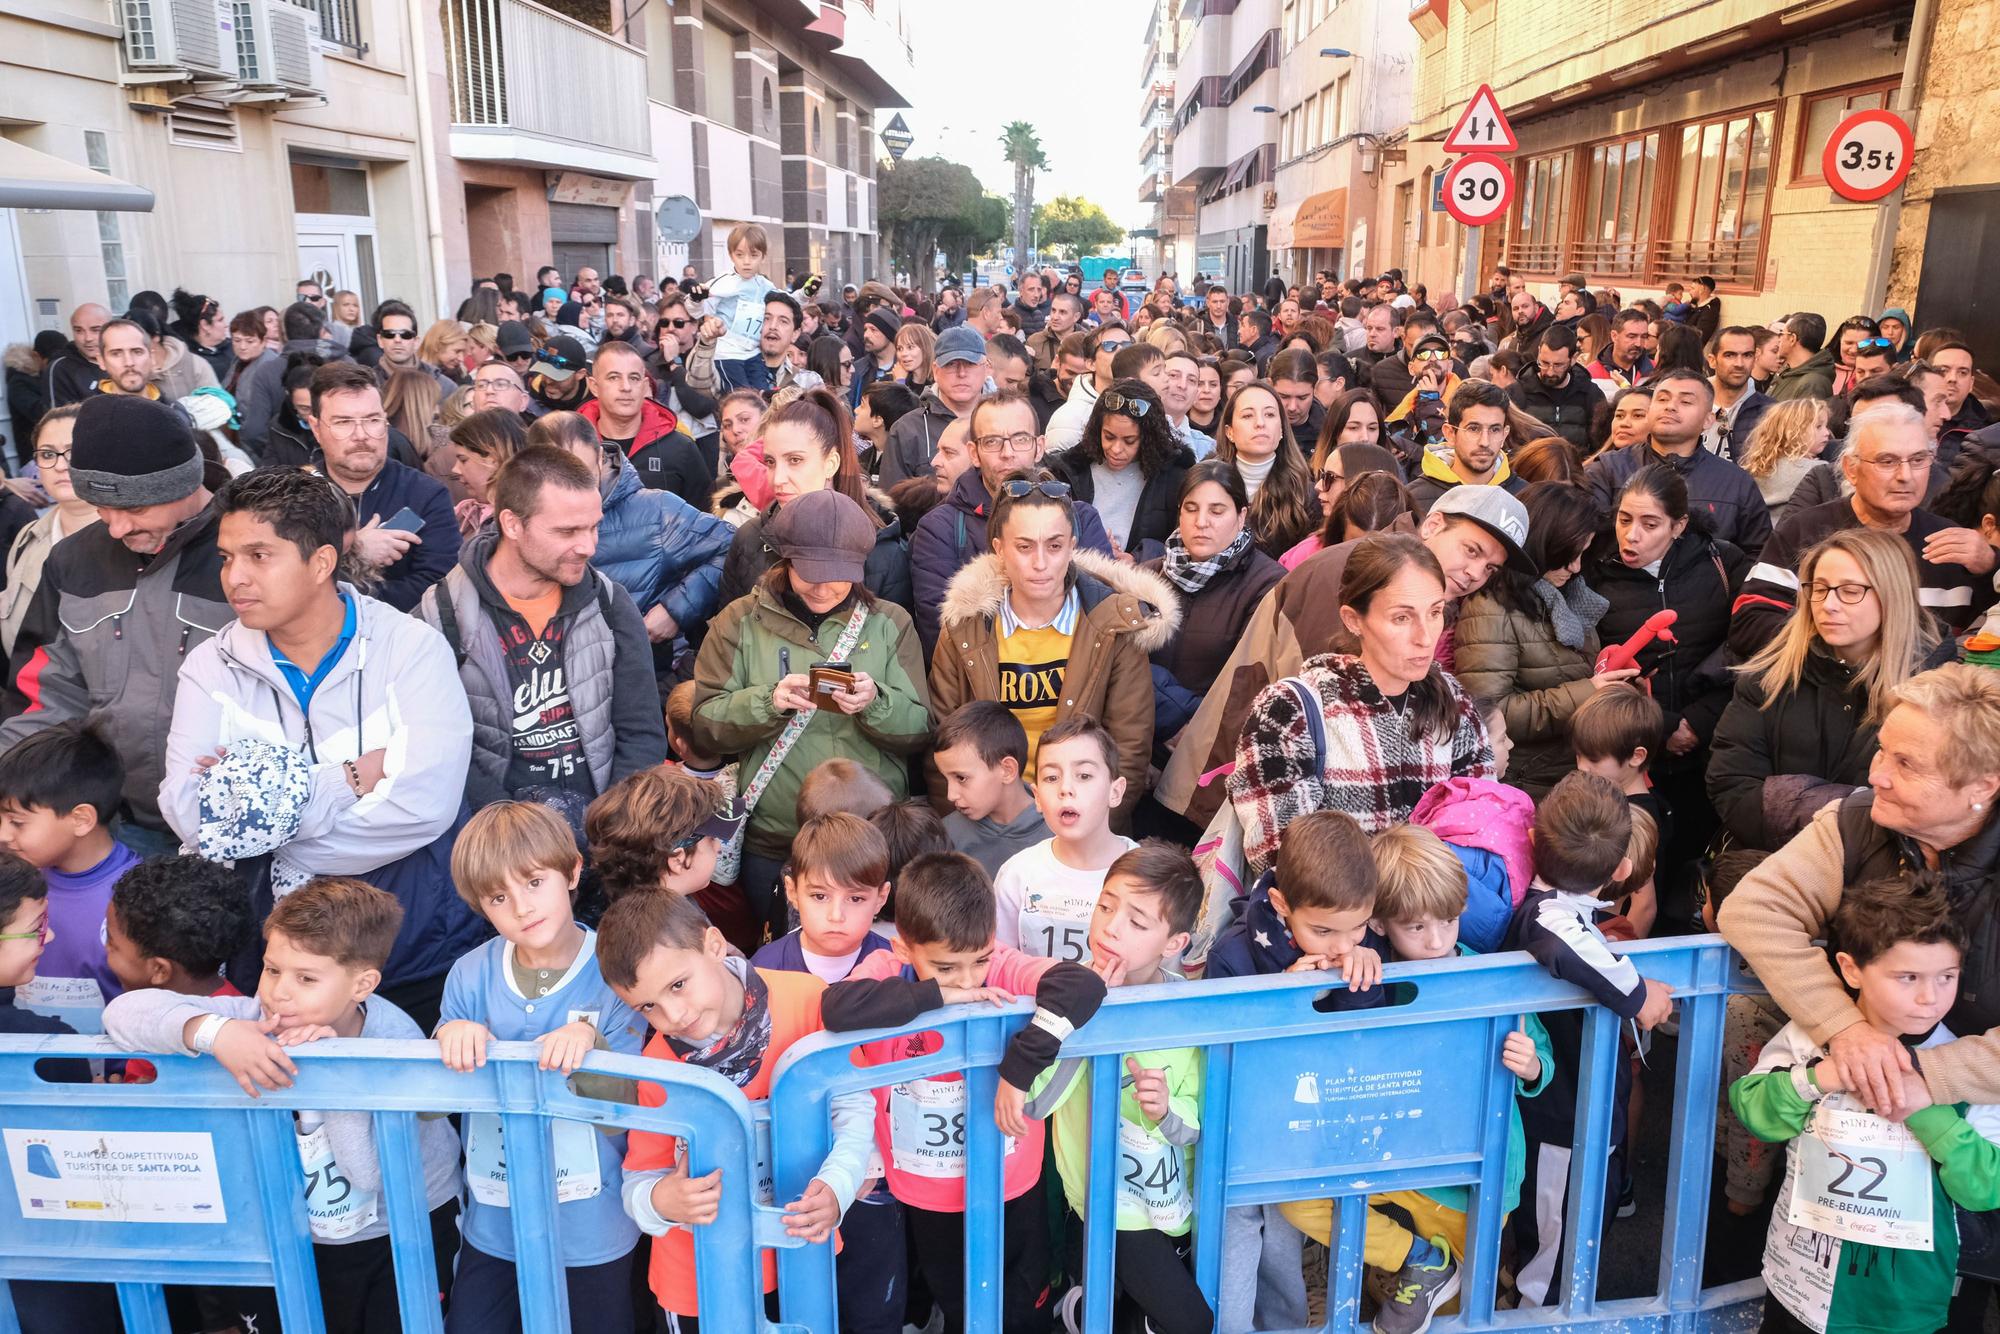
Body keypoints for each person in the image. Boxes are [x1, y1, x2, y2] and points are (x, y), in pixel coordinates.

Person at [103, 878, 463, 1333]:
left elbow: (368, 1173)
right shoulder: (256, 1019)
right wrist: (217, 1033)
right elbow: (123, 1012)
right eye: (272, 970)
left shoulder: (394, 1038)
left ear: (362, 984)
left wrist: (328, 1071)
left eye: (306, 978)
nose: (279, 992)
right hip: (293, 1230)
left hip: (401, 1231)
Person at [818, 851, 1107, 1334]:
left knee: (1023, 1309)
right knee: (961, 1307)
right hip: (928, 1195)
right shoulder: (887, 967)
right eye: (947, 967)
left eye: (979, 961)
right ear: (906, 946)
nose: (970, 981)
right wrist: (936, 996)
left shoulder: (1002, 965)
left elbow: (1081, 985)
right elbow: (836, 1008)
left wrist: (1018, 1070)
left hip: (1013, 1184)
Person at [1281, 825, 1552, 1332]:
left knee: (1452, 1315)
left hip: (1475, 1175)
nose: (1437, 940)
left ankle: (1431, 1276)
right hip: (1394, 1160)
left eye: (1449, 920)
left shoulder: (1489, 975)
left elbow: (1541, 1055)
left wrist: (1531, 1064)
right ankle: (1421, 1260)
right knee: (1301, 1199)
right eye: (1417, 927)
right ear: (1379, 924)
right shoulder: (1368, 974)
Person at [1156, 485, 1527, 831]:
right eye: (1472, 550)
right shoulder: (1360, 573)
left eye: (1490, 568)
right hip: (1223, 792)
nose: (1476, 573)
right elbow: (1327, 713)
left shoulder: (1411, 583)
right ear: (1433, 524)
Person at [1731, 871, 2000, 1334]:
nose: (1928, 997)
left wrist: (1927, 1110)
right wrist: (1822, 1075)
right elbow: (1754, 1111)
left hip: (1907, 1304)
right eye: (1908, 976)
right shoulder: (1809, 1038)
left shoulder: (1967, 1064)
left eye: (1947, 977)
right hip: (1800, 1282)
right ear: (1851, 968)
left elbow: (1986, 1186)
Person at [598, 893, 868, 1326]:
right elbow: (639, 1180)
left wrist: (838, 1185)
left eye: (678, 984)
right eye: (648, 1006)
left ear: (714, 945)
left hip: (798, 1256)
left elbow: (854, 1109)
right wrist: (661, 1199)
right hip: (698, 1280)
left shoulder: (807, 1001)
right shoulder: (654, 1068)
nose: (674, 1014)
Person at [433, 800, 647, 1334]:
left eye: (533, 882)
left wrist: (591, 1041)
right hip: (495, 1217)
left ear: (573, 870)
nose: (522, 907)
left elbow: (635, 1105)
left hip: (592, 1220)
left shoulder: (614, 968)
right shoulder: (469, 974)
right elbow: (432, 1099)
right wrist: (448, 1036)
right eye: (499, 897)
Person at [691, 488, 930, 940]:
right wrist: (768, 702)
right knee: (782, 958)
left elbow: (921, 728)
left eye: (838, 575)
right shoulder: (740, 621)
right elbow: (704, 727)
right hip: (777, 840)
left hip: (872, 839)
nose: (823, 586)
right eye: (809, 572)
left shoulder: (889, 623)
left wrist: (875, 702)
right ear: (784, 561)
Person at [0, 396, 225, 854]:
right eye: (101, 508)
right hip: (118, 826)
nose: (117, 528)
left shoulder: (250, 547)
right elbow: (45, 695)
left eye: (135, 510)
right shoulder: (73, 559)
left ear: (184, 485)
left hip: (236, 821)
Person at [416, 446, 668, 821]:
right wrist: (519, 837)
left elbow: (641, 733)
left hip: (604, 838)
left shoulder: (610, 603)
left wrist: (609, 828)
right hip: (502, 847)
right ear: (513, 524)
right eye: (567, 531)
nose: (589, 546)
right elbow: (440, 751)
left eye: (593, 526)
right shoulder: (439, 616)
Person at [1205, 811, 1386, 1329]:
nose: (1342, 945)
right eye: (1324, 930)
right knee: (1238, 1228)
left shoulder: (1358, 946)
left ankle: (1285, 1322)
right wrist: (1287, 994)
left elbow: (1364, 1042)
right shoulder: (1235, 950)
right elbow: (1227, 1041)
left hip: (1309, 1127)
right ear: (1282, 906)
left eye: (1357, 928)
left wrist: (1367, 986)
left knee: (1288, 1230)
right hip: (1246, 1125)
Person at [1227, 533, 1494, 874]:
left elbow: (1483, 833)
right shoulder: (1289, 710)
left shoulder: (1455, 704)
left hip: (1434, 924)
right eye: (1402, 617)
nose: (1425, 637)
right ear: (1354, 620)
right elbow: (1284, 858)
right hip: (1335, 923)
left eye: (1435, 612)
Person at [1506, 772, 1675, 1306]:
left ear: (1533, 841)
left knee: (1564, 1224)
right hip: (1565, 1118)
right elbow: (1558, 936)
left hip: (1584, 1112)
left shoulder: (1565, 910)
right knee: (1558, 1241)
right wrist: (1638, 991)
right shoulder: (1547, 914)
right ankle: (1542, 1315)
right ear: (1622, 870)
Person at [930, 470, 1175, 830]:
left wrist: (1091, 837)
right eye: (1024, 546)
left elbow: (1128, 751)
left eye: (1055, 546)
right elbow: (944, 740)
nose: (1041, 563)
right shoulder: (965, 627)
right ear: (999, 549)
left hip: (1079, 821)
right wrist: (963, 833)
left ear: (1073, 545)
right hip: (987, 820)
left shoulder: (1113, 625)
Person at [1037, 841, 1214, 1334]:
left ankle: (1086, 1307)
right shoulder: (1065, 992)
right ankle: (1084, 1304)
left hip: (1172, 1203)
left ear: (1174, 942)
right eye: (1106, 906)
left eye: (1137, 922)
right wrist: (1082, 1019)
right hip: (1105, 1206)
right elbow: (1037, 1102)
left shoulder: (1188, 1009)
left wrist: (1165, 1110)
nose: (1110, 927)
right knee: (1192, 1323)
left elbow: (1198, 1123)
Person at [1709, 528, 1939, 854]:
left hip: (1886, 880)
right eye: (1819, 589)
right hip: (1772, 866)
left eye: (1849, 591)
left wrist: (1784, 799)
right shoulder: (1770, 675)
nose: (1828, 605)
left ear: (1891, 595)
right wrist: (1859, 804)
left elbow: (1926, 808)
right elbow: (1732, 788)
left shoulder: (1936, 690)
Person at [1731, 403, 1992, 654]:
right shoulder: (1805, 532)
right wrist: (1841, 650)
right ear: (1851, 469)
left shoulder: (1953, 543)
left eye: (1918, 460)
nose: (1905, 475)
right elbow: (1751, 620)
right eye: (1887, 461)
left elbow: (1986, 634)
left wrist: (1991, 567)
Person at [1596, 463, 1747, 882]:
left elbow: (1746, 651)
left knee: (1696, 863)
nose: (1632, 535)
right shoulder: (1596, 570)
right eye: (1625, 520)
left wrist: (1697, 721)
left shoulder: (1722, 562)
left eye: (1650, 524)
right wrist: (1661, 725)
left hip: (1712, 745)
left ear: (1678, 525)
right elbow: (1596, 665)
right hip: (1635, 749)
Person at [908, 391, 1115, 658]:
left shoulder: (1081, 519)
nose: (1007, 453)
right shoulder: (940, 529)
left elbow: (1102, 616)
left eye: (1020, 439)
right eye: (993, 441)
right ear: (974, 452)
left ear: (1039, 446)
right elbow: (942, 635)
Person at [528, 412, 730, 676]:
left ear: (601, 458)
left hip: (642, 676)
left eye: (580, 474)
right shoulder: (519, 526)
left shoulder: (657, 512)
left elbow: (732, 548)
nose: (571, 490)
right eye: (557, 478)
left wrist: (677, 609)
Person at [1455, 482, 1619, 799]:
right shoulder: (1491, 607)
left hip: (1565, 771)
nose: (1576, 567)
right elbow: (1489, 710)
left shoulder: (1570, 595)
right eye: (1567, 556)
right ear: (1541, 547)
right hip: (1525, 783)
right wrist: (1589, 693)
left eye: (1583, 554)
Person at [714, 387, 912, 611]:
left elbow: (895, 638)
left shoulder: (883, 551)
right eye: (770, 462)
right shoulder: (749, 537)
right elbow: (727, 634)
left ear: (831, 463)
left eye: (795, 460)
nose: (778, 478)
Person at [0, 724, 133, 1034]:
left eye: (17, 822)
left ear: (81, 819)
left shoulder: (136, 895)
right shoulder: (10, 883)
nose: (3, 835)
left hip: (109, 1075)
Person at [1145, 459, 1285, 741]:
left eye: (1217, 511)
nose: (1201, 522)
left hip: (1216, 743)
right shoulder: (1146, 577)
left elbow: (1252, 682)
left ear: (1241, 516)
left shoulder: (1268, 583)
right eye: (1191, 509)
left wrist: (1192, 732)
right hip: (1145, 738)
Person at [305, 362, 459, 612]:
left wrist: (357, 594)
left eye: (372, 420)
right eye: (344, 422)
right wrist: (351, 551)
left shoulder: (426, 494)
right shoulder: (295, 498)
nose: (361, 434)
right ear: (316, 428)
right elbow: (284, 579)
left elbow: (440, 586)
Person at [990, 718, 1137, 963]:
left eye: (1084, 775)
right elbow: (998, 963)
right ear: (1036, 797)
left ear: (1116, 791)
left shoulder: (1147, 875)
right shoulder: (1017, 874)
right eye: (1051, 778)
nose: (1065, 788)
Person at [1585, 367, 1772, 558]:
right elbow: (1586, 543)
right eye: (1662, 399)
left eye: (1685, 401)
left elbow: (1758, 553)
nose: (1670, 407)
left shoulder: (1735, 482)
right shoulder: (1607, 470)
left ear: (1708, 420)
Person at [1045, 377, 1192, 563]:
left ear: (1148, 439)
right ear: (1097, 430)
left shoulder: (1174, 476)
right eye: (1109, 437)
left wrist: (1138, 558)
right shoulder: (1068, 469)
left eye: (1129, 441)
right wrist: (1093, 545)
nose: (1115, 449)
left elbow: (1184, 541)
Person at [1, 408, 97, 657]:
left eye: (73, 452)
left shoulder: (134, 538)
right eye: (47, 454)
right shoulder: (26, 539)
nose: (60, 465)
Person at [578, 342, 712, 512]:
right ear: (594, 386)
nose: (626, 387)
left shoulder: (681, 449)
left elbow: (703, 522)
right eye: (613, 377)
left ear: (644, 385)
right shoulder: (574, 448)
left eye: (633, 378)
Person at [934, 701, 1048, 878]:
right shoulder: (945, 835)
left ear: (1007, 770)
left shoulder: (1059, 832)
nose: (951, 795)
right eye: (946, 778)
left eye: (961, 778)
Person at [1211, 379, 1320, 558]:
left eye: (1269, 415)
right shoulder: (1206, 483)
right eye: (1248, 416)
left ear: (1282, 430)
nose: (1260, 423)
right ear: (1229, 431)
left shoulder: (1306, 495)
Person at [878, 325, 994, 487]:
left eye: (970, 364)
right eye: (951, 364)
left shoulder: (1004, 422)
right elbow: (890, 503)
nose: (961, 373)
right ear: (935, 370)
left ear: (987, 368)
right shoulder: (907, 430)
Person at [1407, 379, 1523, 515]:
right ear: (1450, 433)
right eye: (1473, 429)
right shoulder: (1412, 499)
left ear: (1504, 435)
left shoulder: (1526, 496)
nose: (1485, 442)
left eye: (1495, 429)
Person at [1734, 397, 1835, 528]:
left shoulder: (1757, 466)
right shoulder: (1818, 470)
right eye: (1818, 427)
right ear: (1794, 431)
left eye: (1826, 426)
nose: (1827, 433)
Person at [1508, 324, 1598, 449]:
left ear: (1573, 359)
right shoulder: (1516, 392)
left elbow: (1599, 446)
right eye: (1544, 363)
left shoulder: (1590, 393)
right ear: (1539, 352)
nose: (1550, 372)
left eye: (1558, 365)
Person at [1765, 313, 1837, 402]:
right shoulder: (1788, 371)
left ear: (1792, 339)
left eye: (1782, 334)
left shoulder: (1812, 384)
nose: (1779, 339)